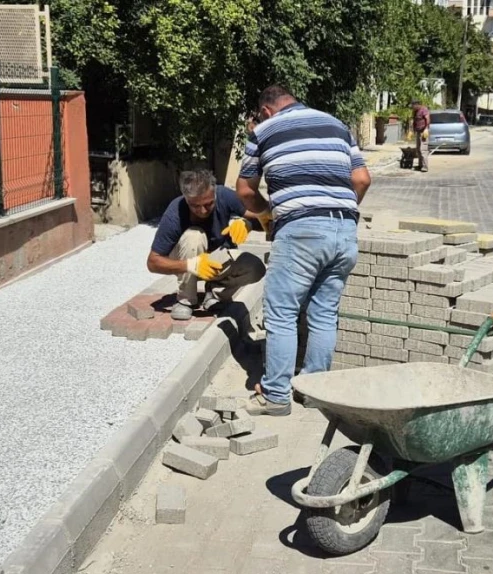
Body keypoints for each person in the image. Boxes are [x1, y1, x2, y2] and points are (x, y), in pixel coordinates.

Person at [236, 85, 372, 416]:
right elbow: (363, 179)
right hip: (344, 229)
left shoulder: (263, 130)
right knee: (324, 312)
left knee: (281, 312)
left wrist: (268, 214)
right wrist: (337, 213)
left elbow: (244, 191)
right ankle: (315, 392)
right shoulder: (337, 125)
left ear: (266, 110)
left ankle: (276, 395)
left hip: (301, 229)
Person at [147, 170, 267, 320]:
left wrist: (247, 223)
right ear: (186, 199)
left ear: (215, 193)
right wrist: (191, 265)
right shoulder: (175, 212)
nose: (203, 210)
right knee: (193, 236)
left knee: (255, 268)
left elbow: (265, 218)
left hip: (218, 259)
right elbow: (152, 262)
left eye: (209, 204)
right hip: (188, 260)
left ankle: (215, 293)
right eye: (195, 206)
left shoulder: (224, 195)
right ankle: (186, 300)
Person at [411, 99, 430, 172]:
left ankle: (425, 167)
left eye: (413, 105)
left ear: (417, 104)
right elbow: (414, 121)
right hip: (418, 131)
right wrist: (412, 130)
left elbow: (427, 119)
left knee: (423, 149)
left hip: (423, 132)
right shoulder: (415, 111)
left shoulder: (424, 110)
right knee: (418, 149)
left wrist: (426, 128)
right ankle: (420, 165)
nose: (413, 107)